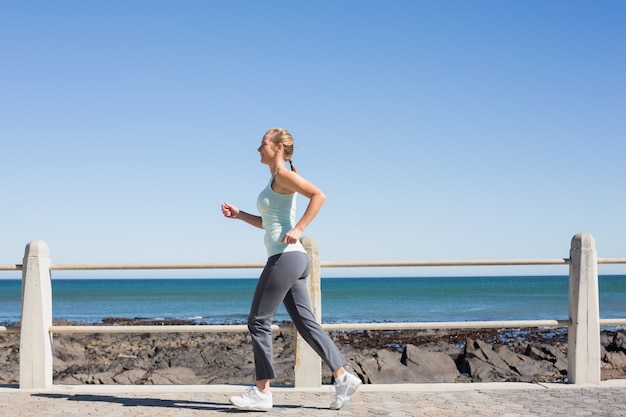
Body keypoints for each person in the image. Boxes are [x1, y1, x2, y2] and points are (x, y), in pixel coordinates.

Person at [221, 127, 361, 411]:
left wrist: (299, 229)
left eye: (262, 144)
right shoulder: (276, 179)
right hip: (292, 259)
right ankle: (342, 375)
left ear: (277, 148)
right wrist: (239, 216)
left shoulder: (283, 175)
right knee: (306, 324)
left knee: (258, 321)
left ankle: (262, 392)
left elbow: (319, 195)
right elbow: (269, 223)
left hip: (285, 258)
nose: (258, 149)